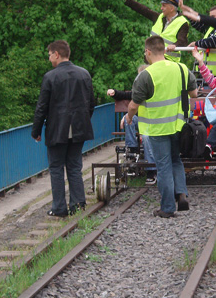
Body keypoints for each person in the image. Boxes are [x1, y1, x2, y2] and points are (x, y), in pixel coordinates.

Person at [126, 35, 198, 218]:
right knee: (176, 160)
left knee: (164, 166)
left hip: (158, 129)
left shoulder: (146, 75)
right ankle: (181, 195)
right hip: (179, 126)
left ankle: (167, 207)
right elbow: (194, 93)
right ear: (165, 50)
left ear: (148, 52)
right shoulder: (182, 69)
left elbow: (134, 105)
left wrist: (128, 118)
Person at [32, 40, 96, 217]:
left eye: (50, 55)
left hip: (57, 130)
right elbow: (91, 103)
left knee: (56, 168)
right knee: (75, 166)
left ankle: (59, 207)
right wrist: (82, 121)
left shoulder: (50, 77)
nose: (49, 58)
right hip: (78, 129)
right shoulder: (84, 74)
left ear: (57, 54)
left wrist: (36, 131)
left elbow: (42, 107)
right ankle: (78, 204)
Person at [107, 65, 157, 185]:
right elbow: (125, 95)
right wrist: (114, 93)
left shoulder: (155, 93)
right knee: (130, 119)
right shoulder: (138, 92)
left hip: (153, 124)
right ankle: (132, 149)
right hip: (142, 122)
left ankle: (151, 170)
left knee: (145, 137)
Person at [116, 0, 189, 62]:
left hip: (168, 62)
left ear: (171, 8)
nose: (161, 8)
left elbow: (182, 41)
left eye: (164, 6)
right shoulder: (160, 17)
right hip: (151, 60)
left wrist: (175, 46)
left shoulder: (182, 23)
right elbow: (143, 10)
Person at [187, 5, 216, 77]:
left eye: (213, 17)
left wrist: (196, 43)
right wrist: (187, 13)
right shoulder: (211, 28)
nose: (211, 20)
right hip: (204, 74)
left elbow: (213, 42)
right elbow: (197, 24)